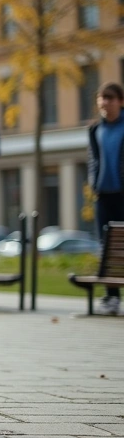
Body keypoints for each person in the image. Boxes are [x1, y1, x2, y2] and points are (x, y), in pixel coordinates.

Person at [88, 82, 124, 315]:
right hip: (103, 196)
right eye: (101, 98)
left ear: (120, 101)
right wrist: (93, 183)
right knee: (107, 247)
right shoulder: (95, 130)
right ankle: (112, 297)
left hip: (123, 194)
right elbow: (93, 159)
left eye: (109, 98)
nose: (104, 102)